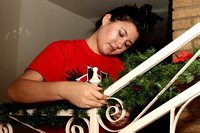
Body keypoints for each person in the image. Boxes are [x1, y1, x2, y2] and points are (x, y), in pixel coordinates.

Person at [6, 4, 161, 133]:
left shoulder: (122, 69)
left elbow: (121, 120)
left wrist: (118, 122)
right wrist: (66, 90)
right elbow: (15, 91)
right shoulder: (62, 50)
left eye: (127, 44)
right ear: (107, 20)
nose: (120, 44)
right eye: (121, 33)